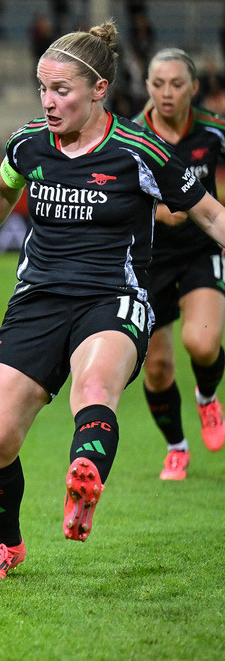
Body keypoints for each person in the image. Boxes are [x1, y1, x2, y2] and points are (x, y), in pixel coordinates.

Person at [0, 22, 225, 580]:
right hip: (37, 301)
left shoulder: (139, 148)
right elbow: (3, 189)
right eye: (43, 89)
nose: (49, 102)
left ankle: (85, 473)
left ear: (99, 89)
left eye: (62, 91)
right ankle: (6, 544)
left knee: (95, 386)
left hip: (114, 297)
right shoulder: (30, 141)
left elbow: (209, 212)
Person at [134, 48, 225, 480]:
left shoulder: (214, 130)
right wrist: (156, 212)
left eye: (175, 84)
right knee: (156, 366)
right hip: (148, 259)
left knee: (203, 344)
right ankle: (177, 447)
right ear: (147, 86)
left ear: (193, 87)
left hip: (199, 251)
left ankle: (207, 397)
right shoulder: (133, 136)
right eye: (157, 84)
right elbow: (118, 197)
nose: (166, 93)